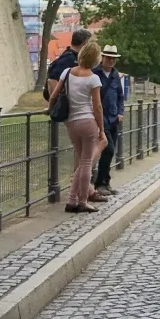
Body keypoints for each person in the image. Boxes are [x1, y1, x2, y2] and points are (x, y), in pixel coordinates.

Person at [48, 39, 106, 213]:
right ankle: (82, 200)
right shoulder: (93, 78)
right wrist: (101, 129)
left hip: (71, 122)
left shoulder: (67, 72)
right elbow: (97, 107)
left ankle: (71, 201)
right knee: (87, 163)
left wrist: (51, 110)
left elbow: (53, 96)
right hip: (87, 122)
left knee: (81, 162)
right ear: (96, 59)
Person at [93, 45, 124, 196]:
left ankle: (106, 181)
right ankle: (99, 183)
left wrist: (120, 112)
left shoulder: (115, 75)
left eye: (113, 58)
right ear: (103, 58)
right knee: (108, 149)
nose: (111, 60)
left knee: (110, 152)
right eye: (108, 57)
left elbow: (120, 96)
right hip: (100, 118)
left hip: (113, 118)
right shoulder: (95, 73)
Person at [44, 27, 92, 98]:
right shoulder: (68, 60)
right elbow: (52, 80)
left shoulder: (73, 57)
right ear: (85, 43)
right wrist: (56, 104)